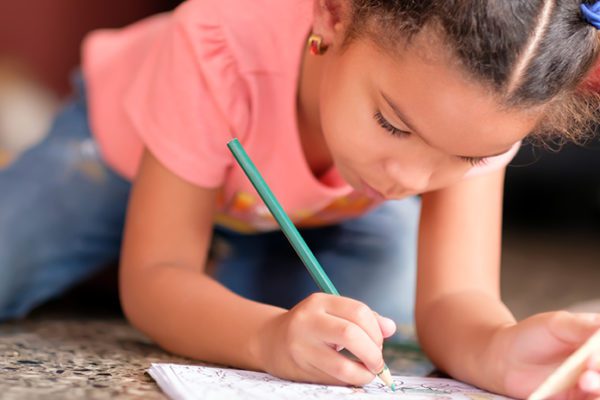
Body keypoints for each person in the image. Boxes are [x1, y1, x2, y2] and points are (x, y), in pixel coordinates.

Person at [1, 0, 600, 398]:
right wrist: (266, 338)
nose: (410, 181)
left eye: (467, 158)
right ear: (335, 14)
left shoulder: (487, 105)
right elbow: (159, 273)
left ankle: (187, 267)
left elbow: (456, 299)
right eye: (393, 125)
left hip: (305, 212)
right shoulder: (218, 41)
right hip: (118, 157)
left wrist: (499, 350)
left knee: (369, 320)